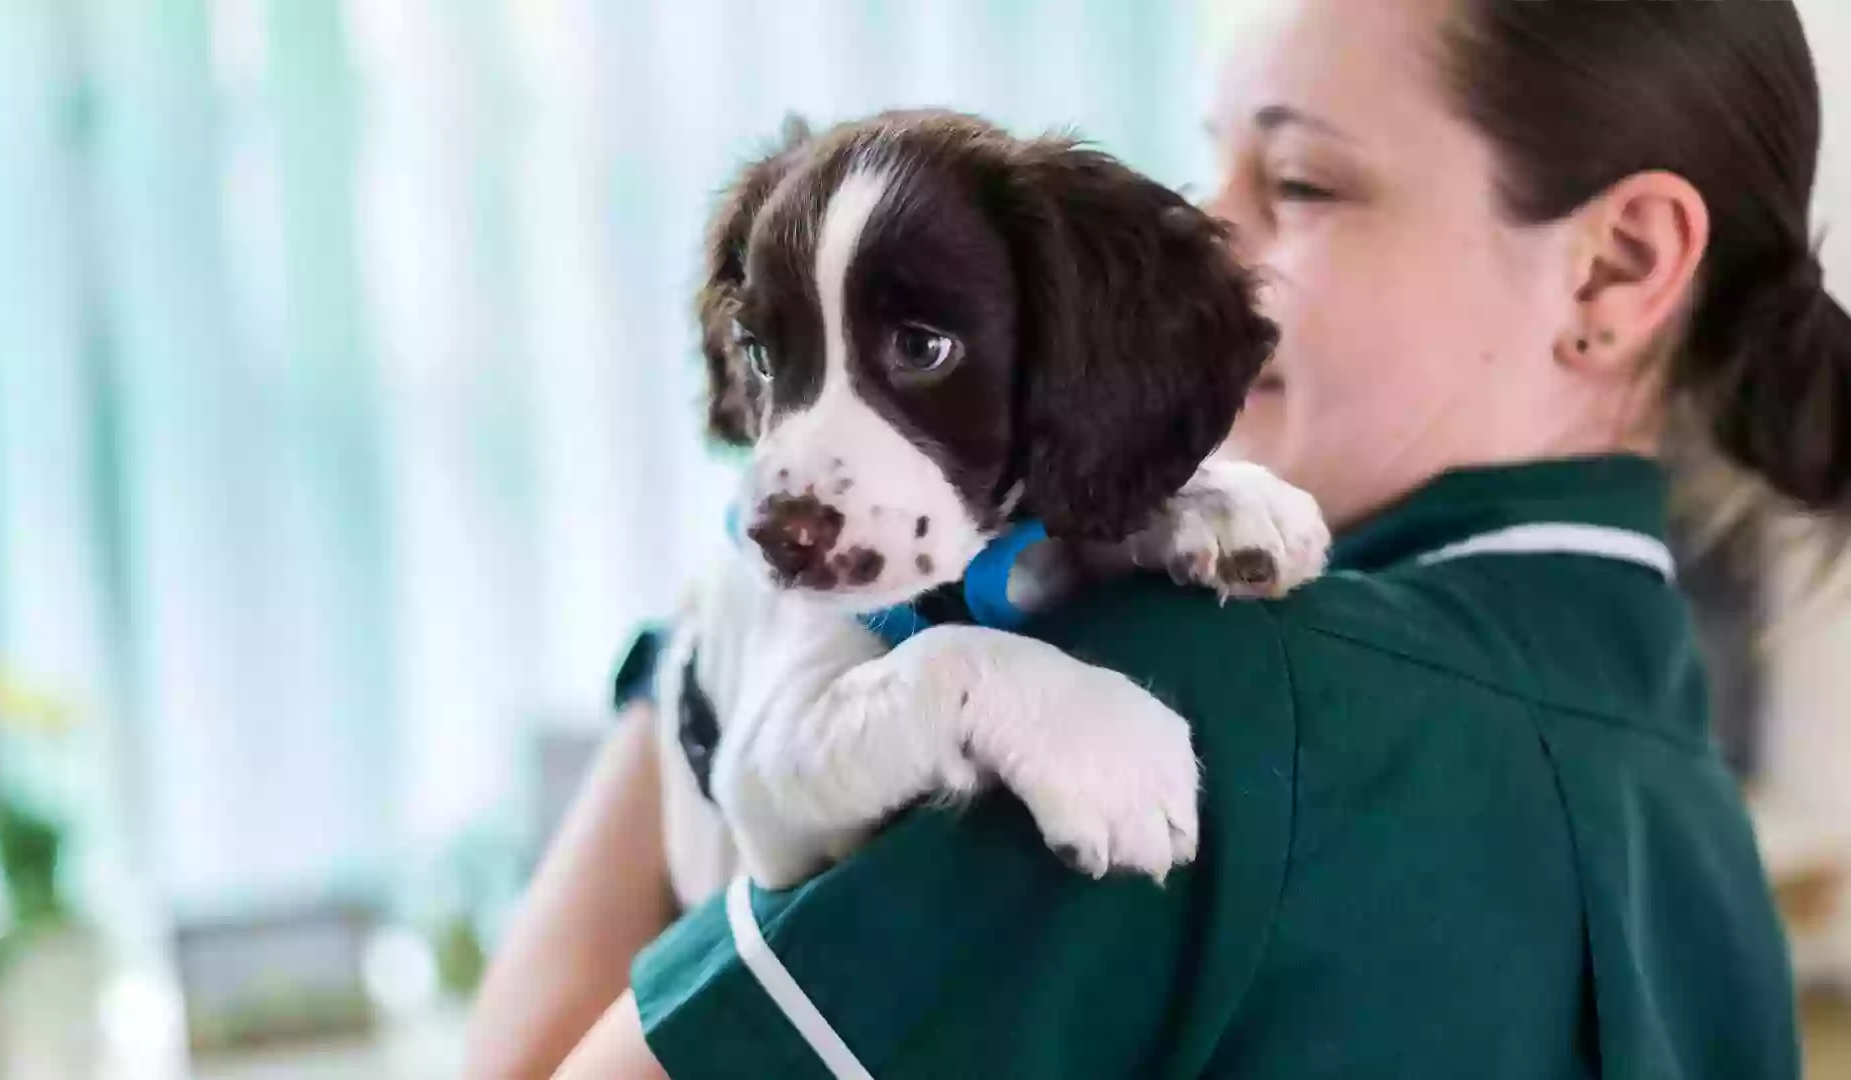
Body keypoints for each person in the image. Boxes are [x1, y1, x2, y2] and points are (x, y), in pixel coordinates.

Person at [475, 0, 1851, 1076]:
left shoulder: (1186, 698)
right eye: (1213, 159)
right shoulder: (1691, 811)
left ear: (1614, 269)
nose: (1193, 233)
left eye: (1300, 182)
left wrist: (725, 655)